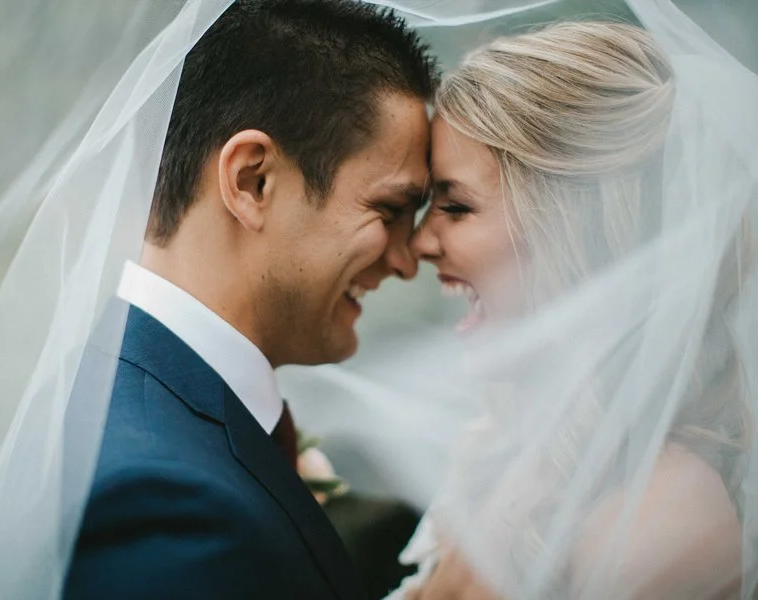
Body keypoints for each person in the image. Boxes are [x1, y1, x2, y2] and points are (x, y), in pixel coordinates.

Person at [61, 1, 437, 599]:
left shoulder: (124, 389)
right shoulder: (168, 513)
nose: (407, 258)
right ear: (252, 181)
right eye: (389, 210)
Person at [389, 20, 752, 599]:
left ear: (575, 230)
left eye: (455, 206)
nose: (418, 243)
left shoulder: (666, 519)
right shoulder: (494, 447)